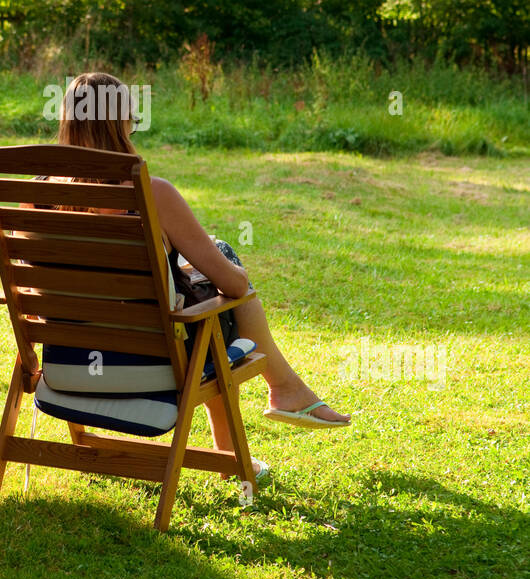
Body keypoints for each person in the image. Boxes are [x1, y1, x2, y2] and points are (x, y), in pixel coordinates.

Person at [49, 71, 350, 475]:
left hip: (68, 362)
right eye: (132, 119)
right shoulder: (152, 193)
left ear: (68, 120)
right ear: (120, 125)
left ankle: (278, 399)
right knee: (220, 283)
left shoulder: (36, 198)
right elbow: (235, 285)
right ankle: (277, 398)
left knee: (199, 284)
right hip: (156, 364)